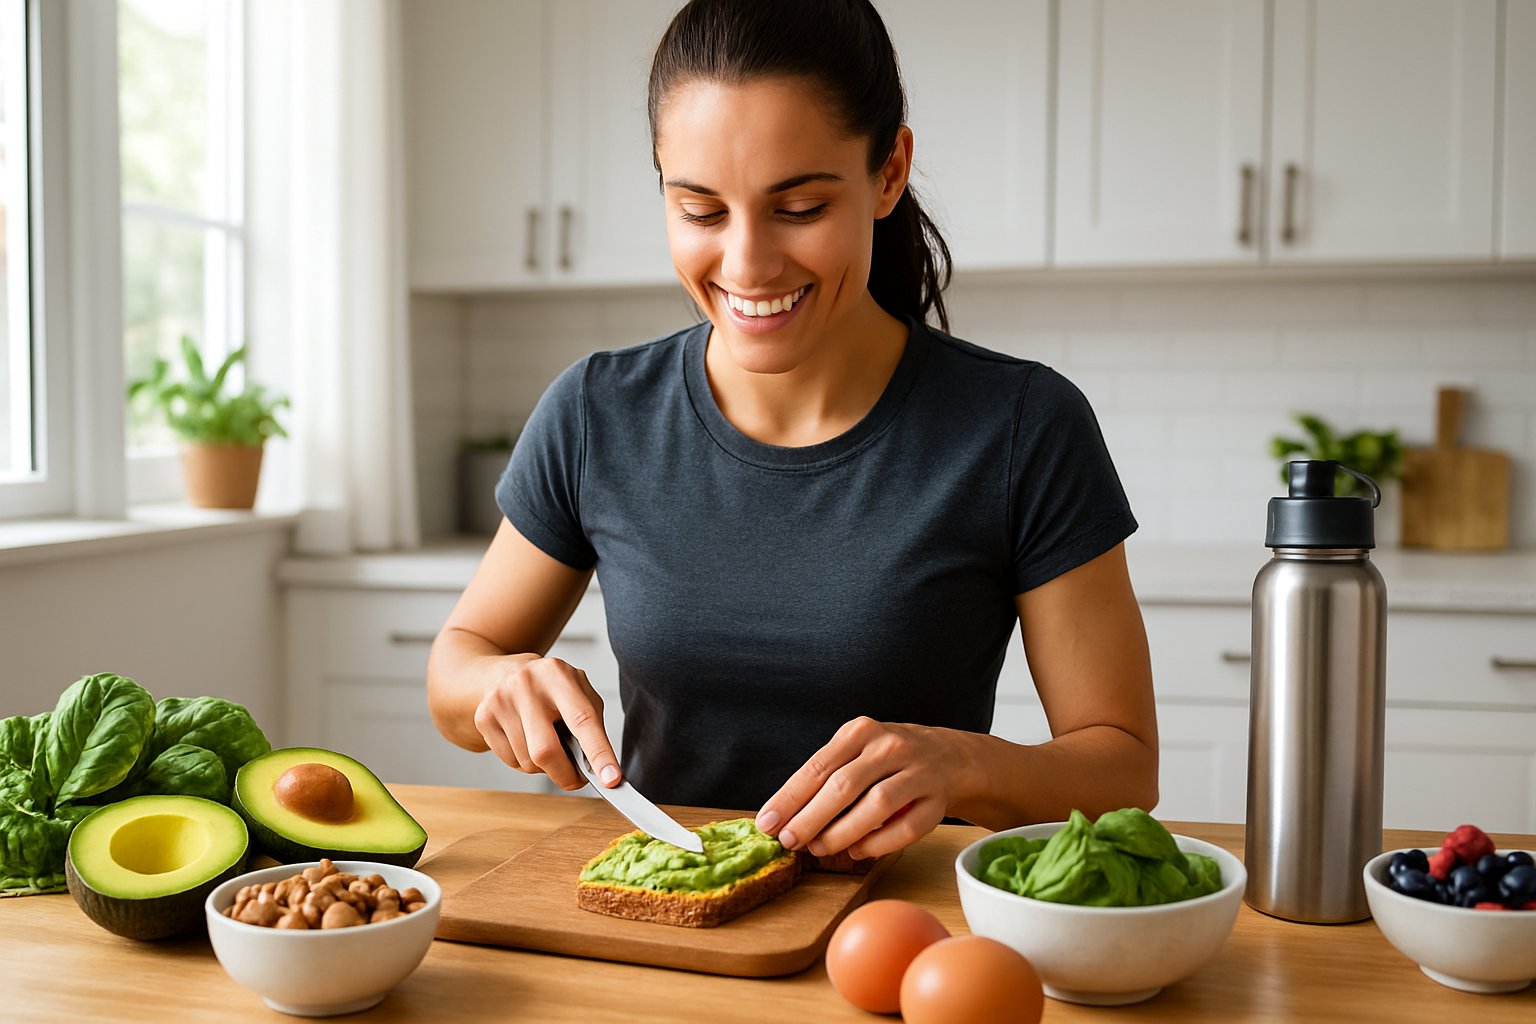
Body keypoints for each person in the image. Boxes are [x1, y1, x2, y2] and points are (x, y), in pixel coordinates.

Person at [427, 0, 1157, 863]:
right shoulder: (597, 412)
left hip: (902, 928)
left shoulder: (1021, 427)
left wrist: (960, 765)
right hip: (670, 912)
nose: (746, 265)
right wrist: (501, 680)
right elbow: (456, 667)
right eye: (701, 211)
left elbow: (1124, 769)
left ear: (889, 173)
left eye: (800, 206)